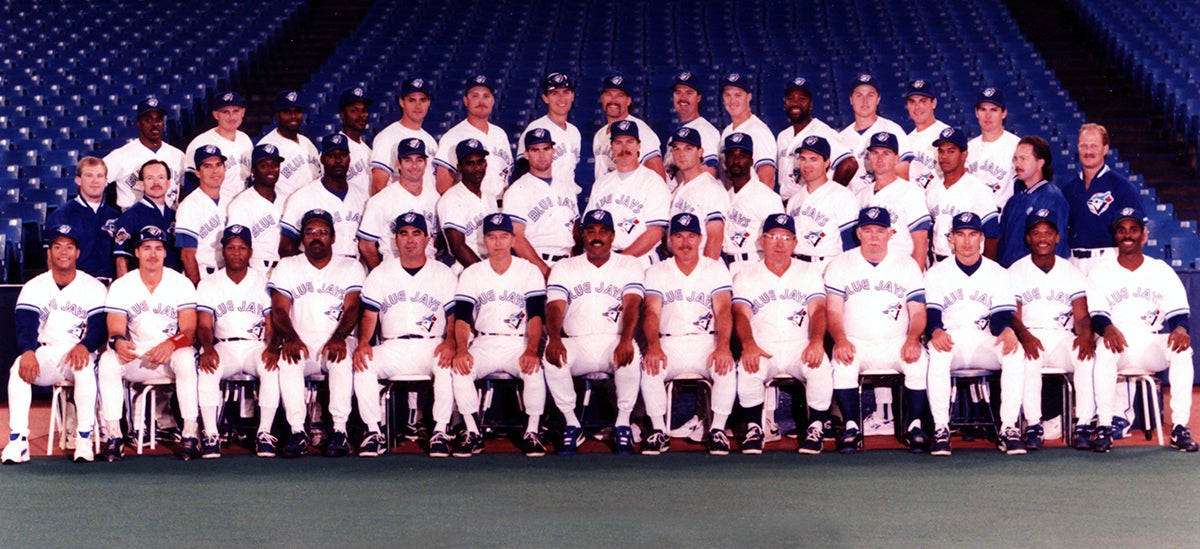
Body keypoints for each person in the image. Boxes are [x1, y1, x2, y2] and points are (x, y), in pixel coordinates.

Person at [1086, 207, 1197, 452]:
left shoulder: (1160, 270)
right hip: (1117, 343)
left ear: (1144, 235)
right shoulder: (1101, 271)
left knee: (1182, 350)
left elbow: (1179, 312)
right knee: (1103, 348)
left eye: (1134, 229)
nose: (1128, 234)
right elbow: (1097, 314)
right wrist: (1107, 329)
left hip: (1149, 343)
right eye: (1122, 229)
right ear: (1115, 235)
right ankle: (1104, 425)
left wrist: (1179, 329)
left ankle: (1179, 427)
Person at [352, 213, 458, 457]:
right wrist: (364, 343)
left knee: (446, 364)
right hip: (393, 346)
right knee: (363, 362)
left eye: (416, 233)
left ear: (428, 239)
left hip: (431, 344)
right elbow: (370, 315)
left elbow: (454, 316)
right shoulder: (380, 273)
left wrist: (451, 342)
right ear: (395, 240)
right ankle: (372, 432)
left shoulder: (443, 273)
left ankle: (440, 431)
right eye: (404, 234)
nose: (410, 240)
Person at [824, 207, 929, 453]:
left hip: (896, 342)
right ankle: (851, 427)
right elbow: (833, 311)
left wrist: (913, 339)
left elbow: (918, 312)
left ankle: (914, 426)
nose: (874, 237)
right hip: (855, 342)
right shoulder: (841, 263)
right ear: (858, 232)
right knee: (842, 362)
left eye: (880, 231)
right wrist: (839, 339)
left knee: (919, 361)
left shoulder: (907, 264)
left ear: (890, 233)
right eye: (868, 230)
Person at [2, 225, 107, 464]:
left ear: (77, 253)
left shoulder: (93, 286)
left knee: (84, 368)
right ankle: (18, 441)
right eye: (57, 247)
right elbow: (25, 324)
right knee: (18, 368)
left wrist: (86, 345)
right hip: (48, 351)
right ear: (49, 252)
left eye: (69, 247)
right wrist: (28, 351)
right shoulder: (35, 286)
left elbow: (100, 326)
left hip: (80, 351)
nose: (63, 252)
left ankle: (83, 438)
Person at [544, 210, 645, 455]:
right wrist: (555, 339)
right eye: (590, 231)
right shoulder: (565, 266)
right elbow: (555, 307)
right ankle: (571, 423)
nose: (596, 237)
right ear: (582, 235)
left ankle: (622, 423)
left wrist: (626, 340)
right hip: (577, 342)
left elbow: (632, 305)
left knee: (631, 357)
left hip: (614, 340)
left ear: (612, 236)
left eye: (602, 231)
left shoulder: (628, 264)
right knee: (552, 358)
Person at [925, 212, 1026, 456]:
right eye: (960, 234)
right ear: (951, 239)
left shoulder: (997, 272)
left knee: (1014, 351)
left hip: (983, 339)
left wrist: (1008, 330)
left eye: (972, 234)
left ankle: (1009, 428)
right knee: (937, 353)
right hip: (952, 338)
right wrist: (935, 330)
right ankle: (941, 428)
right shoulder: (936, 273)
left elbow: (1001, 317)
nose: (967, 241)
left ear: (981, 237)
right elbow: (931, 316)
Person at [732, 214, 833, 455]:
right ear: (761, 241)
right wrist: (748, 344)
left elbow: (818, 310)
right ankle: (754, 428)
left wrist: (816, 342)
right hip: (762, 345)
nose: (779, 243)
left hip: (799, 344)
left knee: (820, 366)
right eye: (773, 237)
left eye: (786, 238)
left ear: (795, 243)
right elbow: (740, 315)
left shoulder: (808, 273)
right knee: (748, 367)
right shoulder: (746, 275)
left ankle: (816, 426)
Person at [449, 213, 548, 457]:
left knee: (534, 368)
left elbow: (536, 316)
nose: (498, 242)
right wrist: (462, 349)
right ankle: (472, 431)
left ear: (514, 240)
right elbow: (462, 317)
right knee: (459, 368)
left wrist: (532, 350)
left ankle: (532, 432)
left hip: (518, 341)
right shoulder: (472, 273)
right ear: (484, 241)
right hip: (484, 340)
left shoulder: (529, 271)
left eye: (504, 236)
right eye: (492, 237)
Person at [268, 209, 365, 458]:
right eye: (310, 232)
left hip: (337, 337)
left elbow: (353, 307)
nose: (316, 237)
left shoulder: (350, 266)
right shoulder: (288, 266)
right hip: (300, 338)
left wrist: (339, 337)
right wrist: (290, 337)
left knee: (341, 359)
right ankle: (297, 431)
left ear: (333, 238)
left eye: (322, 232)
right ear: (302, 237)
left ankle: (340, 430)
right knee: (288, 361)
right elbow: (279, 310)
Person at [96, 226, 199, 461]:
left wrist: (171, 344)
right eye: (146, 248)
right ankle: (114, 435)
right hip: (138, 353)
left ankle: (190, 433)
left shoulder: (180, 283)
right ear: (137, 252)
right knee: (108, 360)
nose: (152, 254)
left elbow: (190, 331)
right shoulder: (122, 285)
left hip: (171, 353)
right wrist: (119, 341)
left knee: (186, 358)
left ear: (165, 253)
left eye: (158, 248)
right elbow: (115, 327)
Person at [640, 213, 736, 456]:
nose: (685, 242)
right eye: (679, 236)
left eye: (691, 236)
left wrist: (723, 346)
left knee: (726, 366)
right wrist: (653, 346)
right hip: (670, 341)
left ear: (700, 239)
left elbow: (724, 310)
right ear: (670, 240)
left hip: (706, 340)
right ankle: (658, 431)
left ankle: (717, 430)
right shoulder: (657, 271)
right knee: (649, 367)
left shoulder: (714, 268)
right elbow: (651, 312)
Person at [1009, 210, 1096, 450]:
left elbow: (1081, 315)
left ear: (1057, 237)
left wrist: (1086, 335)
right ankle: (1034, 424)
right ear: (1028, 238)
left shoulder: (1071, 271)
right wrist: (1025, 336)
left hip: (1061, 336)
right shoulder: (1016, 271)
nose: (1042, 238)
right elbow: (1013, 316)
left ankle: (1084, 424)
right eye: (1036, 233)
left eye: (1048, 233)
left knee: (1085, 356)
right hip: (1031, 334)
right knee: (1028, 359)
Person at [194, 225, 276, 458]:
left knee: (271, 368)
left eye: (242, 248)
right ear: (223, 251)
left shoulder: (263, 282)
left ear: (250, 252)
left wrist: (271, 348)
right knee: (207, 368)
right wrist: (208, 349)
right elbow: (203, 324)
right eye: (231, 248)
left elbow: (271, 323)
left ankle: (264, 433)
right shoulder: (209, 283)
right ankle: (210, 434)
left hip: (255, 345)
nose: (236, 253)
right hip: (224, 346)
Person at [584, 121, 670, 268]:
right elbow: (588, 228)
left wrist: (619, 261)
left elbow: (654, 233)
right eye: (618, 142)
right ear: (611, 147)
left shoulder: (653, 181)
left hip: (640, 261)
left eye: (629, 142)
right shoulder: (601, 183)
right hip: (604, 261)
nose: (624, 148)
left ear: (639, 145)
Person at [1060, 123, 1141, 276]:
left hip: (1108, 260)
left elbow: (1141, 233)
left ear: (1105, 149)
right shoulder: (1068, 189)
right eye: (1083, 146)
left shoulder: (1122, 186)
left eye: (1094, 146)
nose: (1088, 151)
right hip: (1074, 262)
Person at [503, 128, 579, 278]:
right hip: (535, 267)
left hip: (567, 266)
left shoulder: (566, 188)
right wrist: (545, 272)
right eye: (535, 150)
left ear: (553, 151)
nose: (542, 155)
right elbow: (516, 239)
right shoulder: (518, 189)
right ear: (526, 154)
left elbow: (571, 231)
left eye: (546, 149)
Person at [279, 133, 368, 260]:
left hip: (356, 268)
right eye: (331, 156)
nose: (338, 160)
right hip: (320, 270)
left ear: (349, 158)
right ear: (322, 159)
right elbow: (286, 248)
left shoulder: (363, 196)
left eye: (343, 155)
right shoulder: (302, 197)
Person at [358, 138, 442, 269]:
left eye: (419, 160)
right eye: (408, 160)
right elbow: (366, 245)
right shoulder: (381, 200)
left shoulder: (435, 198)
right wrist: (380, 273)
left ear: (426, 163)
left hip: (428, 271)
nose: (414, 166)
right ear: (398, 163)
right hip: (393, 268)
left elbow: (436, 240)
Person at [924, 127, 1000, 263]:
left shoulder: (979, 190)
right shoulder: (932, 188)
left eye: (951, 151)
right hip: (937, 263)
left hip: (968, 264)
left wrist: (983, 270)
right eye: (940, 151)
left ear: (964, 154)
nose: (944, 156)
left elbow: (992, 237)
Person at [776, 76, 856, 201]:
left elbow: (849, 164)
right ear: (785, 103)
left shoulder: (822, 132)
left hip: (812, 202)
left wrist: (827, 196)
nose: (796, 103)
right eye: (791, 98)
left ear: (811, 104)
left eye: (802, 99)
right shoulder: (782, 136)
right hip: (789, 204)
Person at [784, 136, 858, 268]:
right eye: (803, 159)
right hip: (797, 267)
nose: (807, 165)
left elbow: (851, 243)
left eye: (814, 159)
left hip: (827, 266)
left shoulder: (842, 195)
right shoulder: (794, 200)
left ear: (826, 163)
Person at [433, 75, 514, 196]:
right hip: (470, 207)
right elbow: (443, 186)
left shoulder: (500, 134)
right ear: (465, 100)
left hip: (500, 206)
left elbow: (508, 174)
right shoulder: (452, 137)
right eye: (475, 96)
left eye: (486, 96)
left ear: (492, 100)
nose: (481, 102)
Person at [996, 136, 1070, 267]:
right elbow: (1003, 246)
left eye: (1023, 159)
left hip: (1034, 278)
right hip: (1010, 276)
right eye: (1016, 159)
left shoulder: (1053, 198)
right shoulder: (1013, 201)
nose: (1017, 164)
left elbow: (1058, 247)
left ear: (1040, 162)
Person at [861, 132, 932, 270]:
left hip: (902, 267)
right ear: (869, 157)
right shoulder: (861, 196)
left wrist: (915, 278)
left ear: (896, 159)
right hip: (869, 270)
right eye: (875, 153)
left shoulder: (911, 192)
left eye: (886, 153)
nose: (880, 158)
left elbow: (921, 243)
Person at [44, 157, 120, 284]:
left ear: (106, 181)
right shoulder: (61, 215)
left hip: (110, 286)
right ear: (78, 180)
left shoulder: (116, 216)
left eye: (100, 176)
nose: (95, 181)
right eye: (89, 175)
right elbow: (52, 257)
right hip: (76, 286)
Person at [103, 96, 185, 209]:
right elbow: (93, 183)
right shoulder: (120, 155)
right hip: (133, 221)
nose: (154, 124)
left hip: (170, 218)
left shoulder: (178, 155)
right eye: (148, 120)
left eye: (159, 119)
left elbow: (187, 189)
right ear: (138, 124)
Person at [723, 133, 784, 278]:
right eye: (732, 155)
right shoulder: (725, 195)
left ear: (751, 161)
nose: (736, 160)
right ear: (725, 160)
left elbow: (778, 242)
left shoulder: (767, 196)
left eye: (742, 155)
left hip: (754, 264)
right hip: (727, 266)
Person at [838, 73, 913, 192]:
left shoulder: (892, 129)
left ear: (878, 99)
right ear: (851, 99)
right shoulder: (841, 137)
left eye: (870, 95)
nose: (864, 101)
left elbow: (902, 178)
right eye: (859, 95)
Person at [667, 126, 730, 260]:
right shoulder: (680, 188)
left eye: (688, 148)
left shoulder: (711, 188)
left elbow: (715, 239)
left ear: (700, 152)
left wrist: (704, 276)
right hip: (682, 265)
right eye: (676, 148)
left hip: (701, 264)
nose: (681, 154)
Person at [438, 139, 500, 267]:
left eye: (480, 162)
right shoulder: (452, 198)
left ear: (486, 164)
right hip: (466, 268)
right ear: (459, 168)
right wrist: (484, 274)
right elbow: (457, 247)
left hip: (491, 265)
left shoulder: (489, 196)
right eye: (470, 164)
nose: (477, 168)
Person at [226, 144, 286, 274]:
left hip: (284, 269)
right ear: (253, 170)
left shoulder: (285, 198)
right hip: (257, 270)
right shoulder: (242, 204)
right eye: (264, 165)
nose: (271, 170)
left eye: (275, 165)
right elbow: (237, 248)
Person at [369, 77, 437, 195]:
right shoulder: (387, 137)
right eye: (411, 100)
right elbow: (377, 189)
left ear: (429, 103)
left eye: (423, 100)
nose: (418, 106)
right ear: (402, 102)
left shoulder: (430, 140)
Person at [113, 160, 181, 276]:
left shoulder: (175, 215)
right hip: (143, 285)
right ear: (142, 184)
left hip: (172, 283)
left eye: (161, 177)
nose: (156, 183)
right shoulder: (131, 215)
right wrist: (124, 289)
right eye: (150, 178)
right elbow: (121, 260)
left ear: (168, 183)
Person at [591, 74, 665, 181]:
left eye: (619, 95)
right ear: (602, 98)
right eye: (608, 94)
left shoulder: (641, 131)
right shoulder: (599, 134)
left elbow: (659, 179)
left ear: (628, 101)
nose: (613, 100)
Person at [184, 91, 253, 200]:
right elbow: (190, 185)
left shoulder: (245, 139)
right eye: (225, 112)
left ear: (243, 112)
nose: (231, 117)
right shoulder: (200, 143)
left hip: (243, 208)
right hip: (216, 210)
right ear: (216, 115)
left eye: (236, 111)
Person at [176, 145, 230, 284]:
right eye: (207, 166)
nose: (215, 171)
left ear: (225, 169)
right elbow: (187, 255)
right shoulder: (190, 205)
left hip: (225, 274)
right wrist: (196, 287)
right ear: (197, 173)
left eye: (218, 165)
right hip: (203, 274)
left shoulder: (228, 201)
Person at [516, 72, 582, 182]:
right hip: (543, 195)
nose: (561, 98)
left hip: (568, 196)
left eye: (566, 92)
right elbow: (522, 170)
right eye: (555, 93)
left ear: (572, 96)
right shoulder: (536, 129)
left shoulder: (574, 132)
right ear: (545, 98)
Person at [257, 90, 321, 202]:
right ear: (278, 115)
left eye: (297, 111)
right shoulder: (267, 146)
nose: (293, 116)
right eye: (287, 112)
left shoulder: (307, 143)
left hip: (313, 208)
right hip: (284, 212)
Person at [965, 87, 1021, 210]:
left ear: (1004, 113)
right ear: (976, 112)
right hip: (973, 219)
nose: (988, 115)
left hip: (1002, 217)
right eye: (983, 109)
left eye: (994, 110)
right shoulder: (968, 148)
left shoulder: (1017, 145)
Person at [717, 72, 776, 187]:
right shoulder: (727, 132)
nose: (732, 101)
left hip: (751, 203)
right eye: (727, 95)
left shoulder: (759, 131)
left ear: (748, 97)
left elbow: (767, 181)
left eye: (738, 95)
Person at [663, 71, 720, 190]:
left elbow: (709, 175)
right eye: (678, 92)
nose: (682, 98)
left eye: (689, 93)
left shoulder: (704, 131)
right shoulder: (677, 133)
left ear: (698, 97)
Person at [903, 79, 950, 189]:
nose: (917, 107)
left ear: (933, 103)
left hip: (939, 204)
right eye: (912, 102)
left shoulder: (945, 135)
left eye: (923, 101)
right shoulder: (906, 140)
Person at [337, 87, 373, 196]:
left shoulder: (366, 148)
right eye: (354, 111)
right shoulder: (336, 149)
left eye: (364, 110)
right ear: (342, 115)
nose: (361, 115)